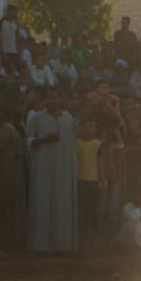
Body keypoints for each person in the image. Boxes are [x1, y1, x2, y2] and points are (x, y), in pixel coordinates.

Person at [26, 87, 78, 253]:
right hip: (43, 166)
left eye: (55, 98)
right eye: (48, 98)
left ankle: (63, 246)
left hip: (64, 168)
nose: (51, 101)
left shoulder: (68, 119)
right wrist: (42, 140)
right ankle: (41, 246)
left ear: (60, 99)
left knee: (63, 203)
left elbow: (72, 143)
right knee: (43, 202)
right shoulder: (37, 118)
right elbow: (28, 140)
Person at [0, 103, 26, 251]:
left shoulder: (6, 128)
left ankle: (5, 242)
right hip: (11, 171)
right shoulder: (13, 128)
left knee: (4, 208)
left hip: (5, 172)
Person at [76, 118, 102, 247]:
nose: (90, 129)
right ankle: (80, 238)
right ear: (81, 127)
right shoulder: (76, 143)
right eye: (88, 126)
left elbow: (101, 163)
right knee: (81, 210)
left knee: (92, 210)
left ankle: (91, 240)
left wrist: (102, 180)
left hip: (93, 180)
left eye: (93, 126)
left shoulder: (98, 143)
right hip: (80, 180)